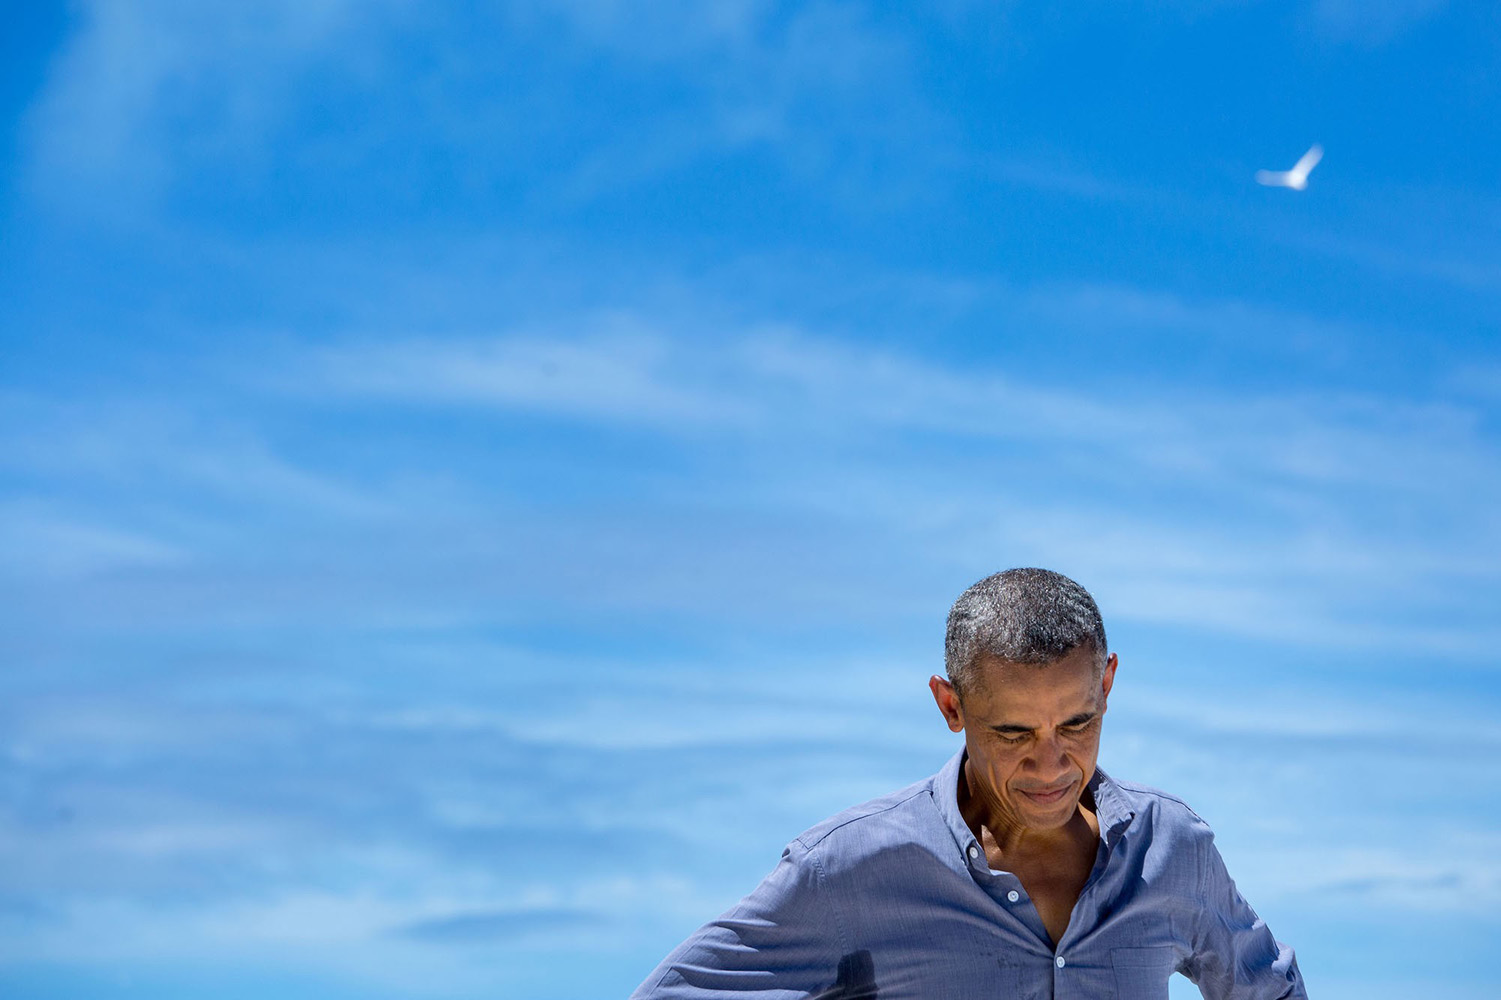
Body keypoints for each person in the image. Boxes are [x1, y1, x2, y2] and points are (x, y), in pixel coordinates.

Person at [630, 568, 1307, 999]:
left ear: (1107, 685)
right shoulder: (850, 868)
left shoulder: (1171, 847)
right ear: (950, 707)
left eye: (1077, 722)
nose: (1050, 766)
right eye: (1012, 734)